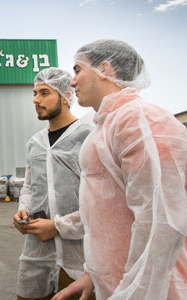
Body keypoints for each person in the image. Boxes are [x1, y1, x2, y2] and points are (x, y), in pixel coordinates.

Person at [53, 39, 187, 300]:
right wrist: (92, 275)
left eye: (78, 70)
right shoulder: (106, 127)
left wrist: (134, 295)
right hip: (117, 285)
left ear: (105, 69)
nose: (71, 81)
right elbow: (108, 211)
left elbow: (160, 224)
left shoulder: (140, 121)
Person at [12, 68, 94, 300]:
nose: (36, 100)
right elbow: (29, 187)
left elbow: (101, 202)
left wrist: (58, 226)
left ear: (66, 96)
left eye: (44, 93)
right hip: (37, 252)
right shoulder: (35, 143)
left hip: (81, 256)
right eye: (35, 93)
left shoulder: (88, 136)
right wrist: (23, 211)